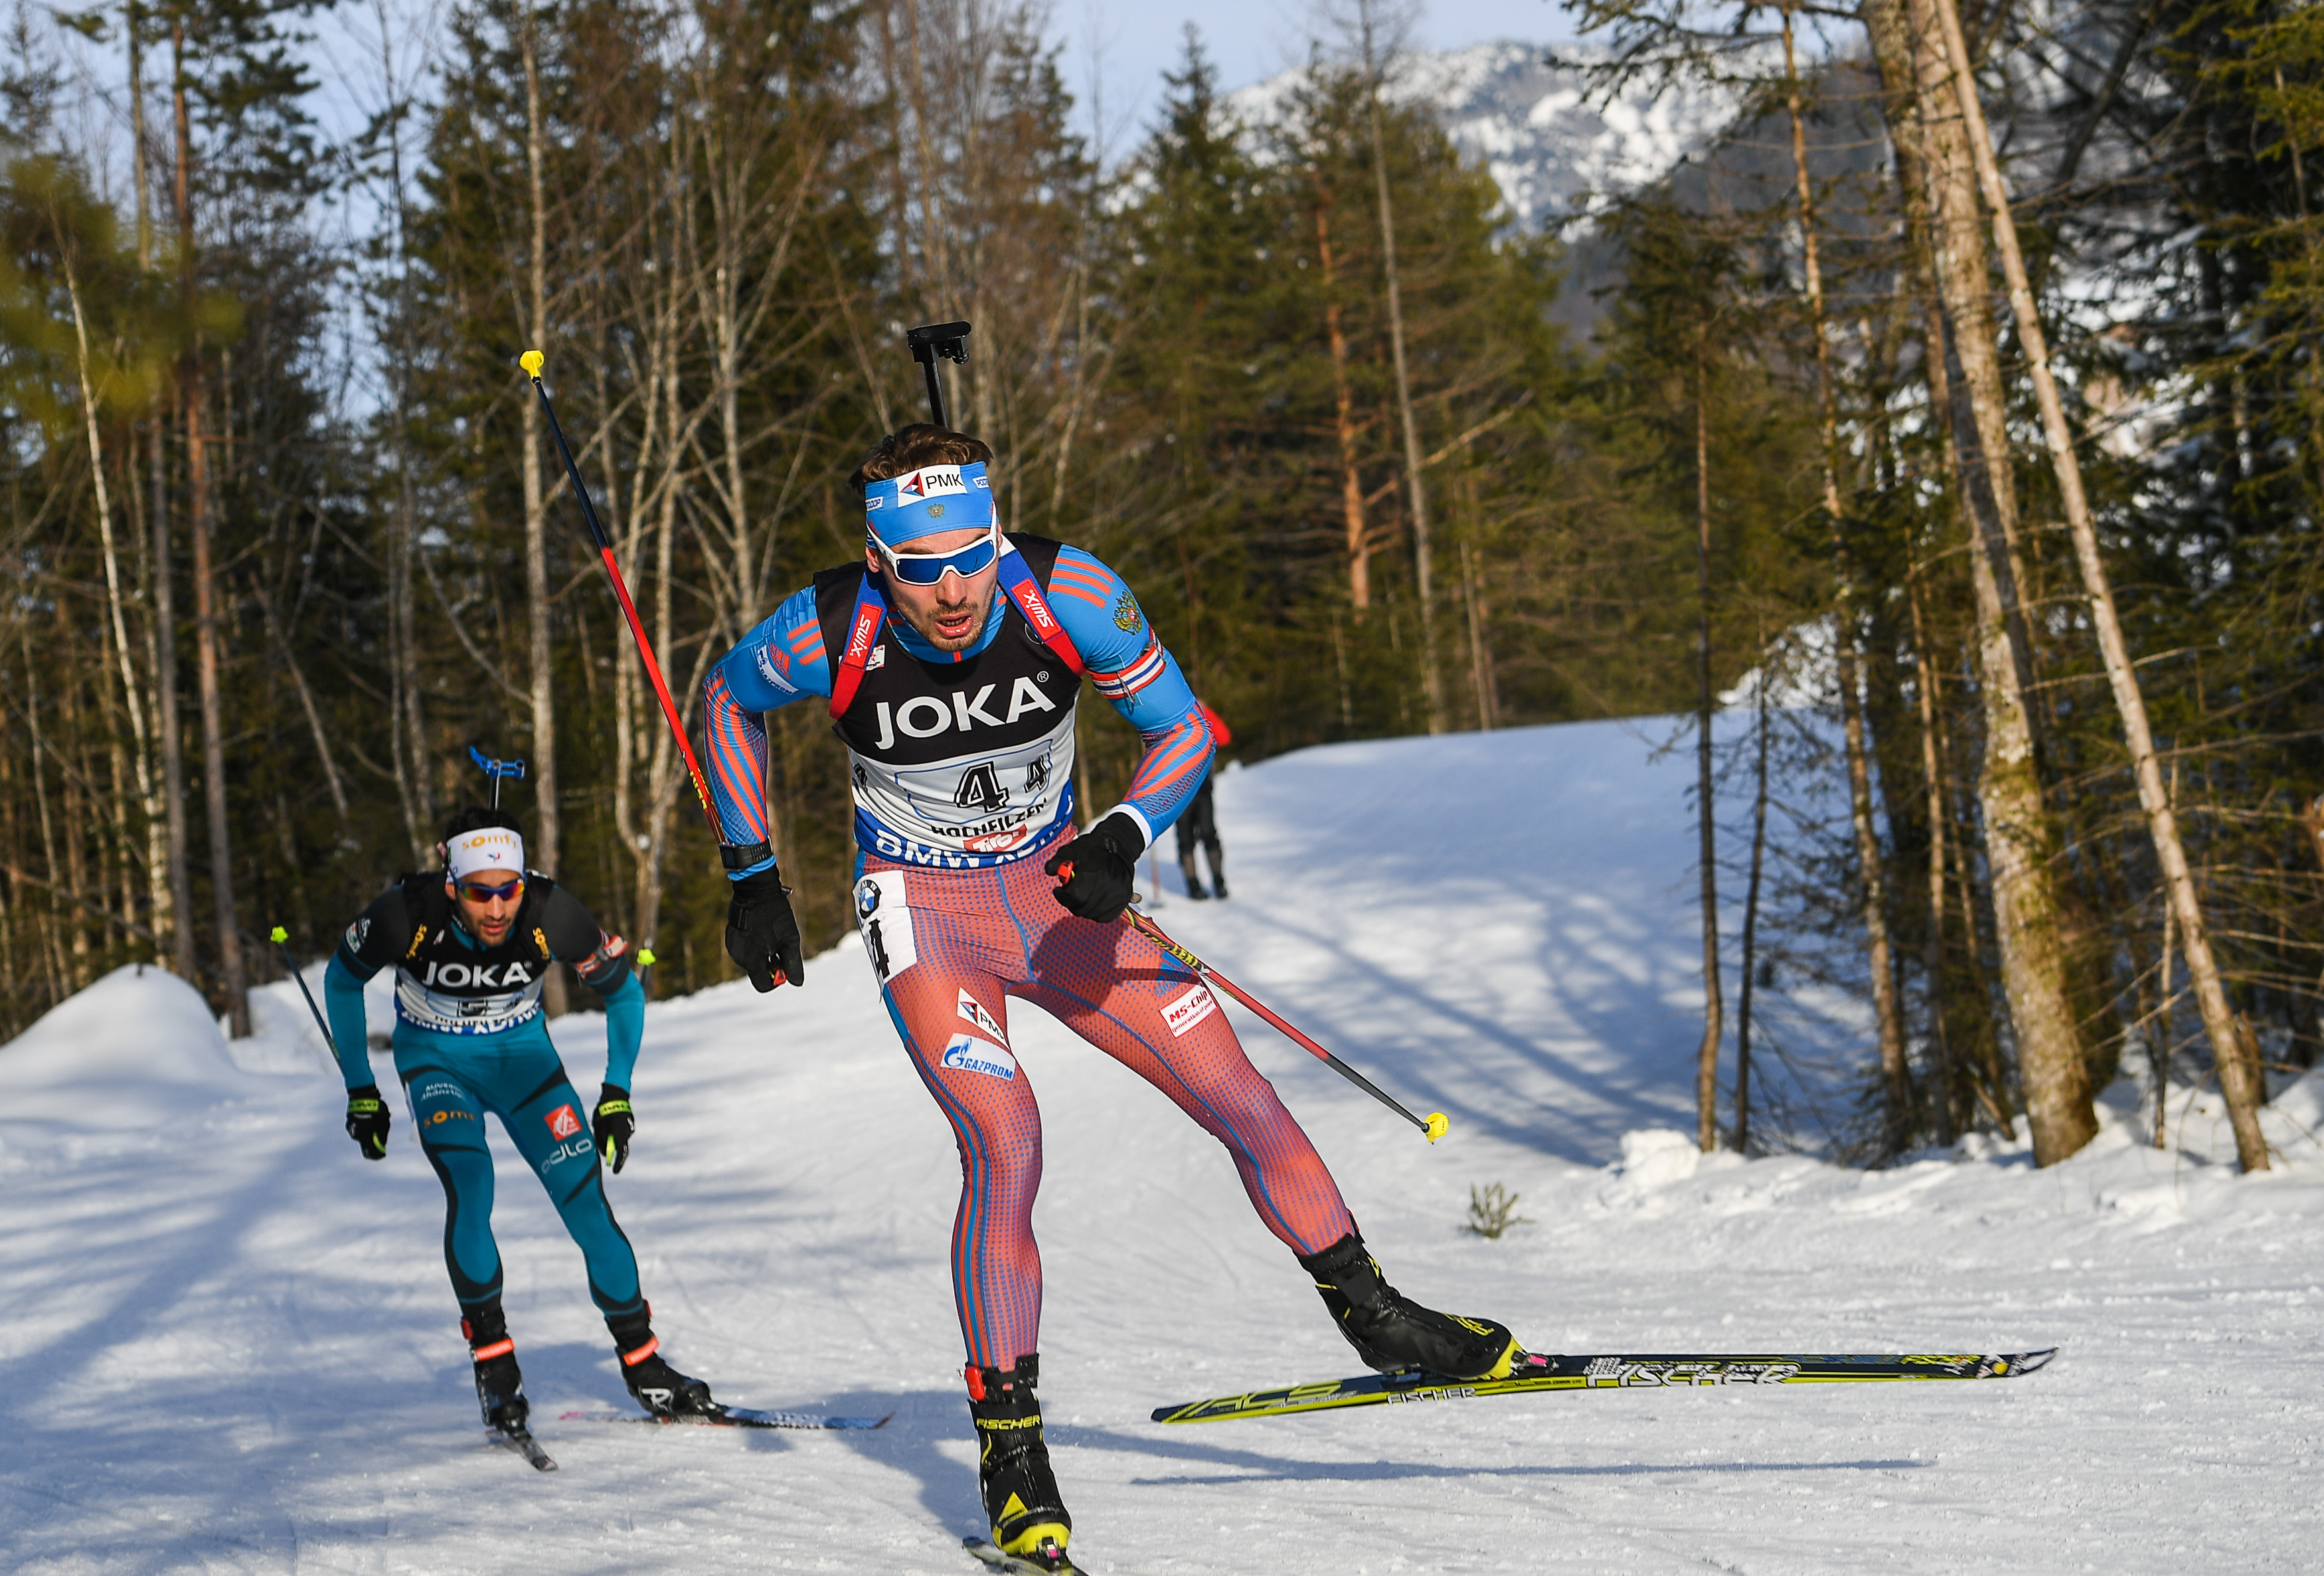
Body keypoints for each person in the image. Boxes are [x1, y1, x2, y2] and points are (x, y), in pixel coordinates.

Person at [699, 424, 1514, 1575]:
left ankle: (1378, 1316)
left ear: (994, 529)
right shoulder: (829, 625)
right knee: (1007, 1137)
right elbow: (723, 702)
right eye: (919, 565)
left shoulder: (1068, 592)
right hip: (925, 909)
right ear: (878, 560)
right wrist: (752, 875)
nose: (952, 588)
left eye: (970, 552)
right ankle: (1013, 1448)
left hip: (1059, 893)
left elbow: (1185, 726)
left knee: (1242, 1091)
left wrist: (1124, 835)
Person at [324, 805, 717, 1438]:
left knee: (586, 1199)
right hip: (436, 1061)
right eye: (481, 894)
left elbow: (624, 993)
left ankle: (644, 1365)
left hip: (524, 1060)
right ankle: (495, 1363)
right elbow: (341, 984)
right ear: (453, 886)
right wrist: (361, 1091)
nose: (499, 909)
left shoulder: (551, 912)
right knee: (472, 1188)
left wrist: (616, 1092)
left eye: (509, 890)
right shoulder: (404, 914)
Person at [1175, 699, 1231, 900]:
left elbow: (1223, 738)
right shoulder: (1168, 721)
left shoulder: (1202, 716)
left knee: (1208, 833)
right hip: (1179, 790)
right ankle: (1193, 886)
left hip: (1202, 788)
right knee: (1185, 839)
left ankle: (1219, 881)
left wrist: (1205, 711)